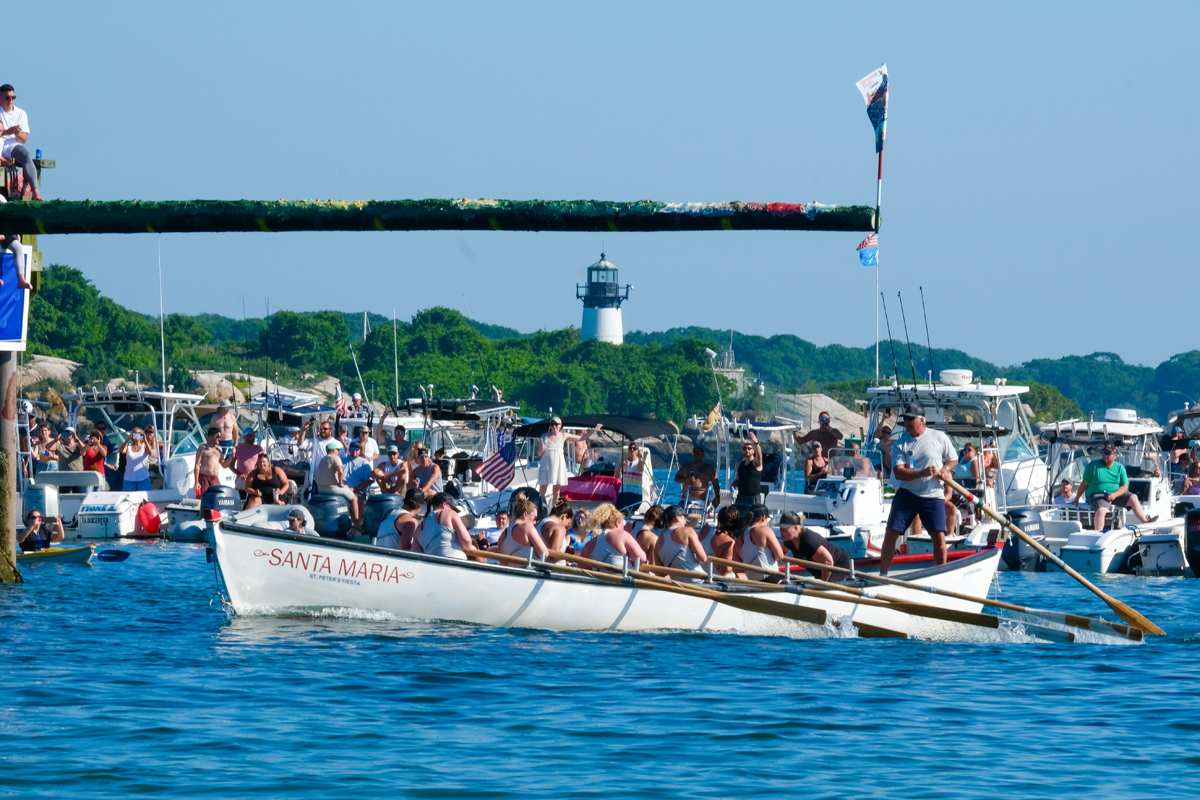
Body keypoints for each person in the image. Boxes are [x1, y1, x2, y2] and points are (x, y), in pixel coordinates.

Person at [879, 403, 958, 575]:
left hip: (933, 494)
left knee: (938, 536)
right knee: (891, 532)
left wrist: (945, 470)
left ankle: (940, 574)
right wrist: (922, 472)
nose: (906, 422)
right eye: (905, 419)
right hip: (907, 494)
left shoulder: (939, 437)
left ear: (921, 420)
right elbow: (898, 472)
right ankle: (882, 574)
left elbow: (953, 459)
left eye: (910, 418)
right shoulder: (900, 444)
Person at [1072, 446, 1157, 529]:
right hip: (1097, 495)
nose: (1105, 455)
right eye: (1104, 453)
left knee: (1133, 497)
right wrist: (1077, 499)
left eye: (1108, 454)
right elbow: (1084, 484)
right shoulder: (1093, 466)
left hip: (1115, 494)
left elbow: (1124, 486)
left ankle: (1146, 523)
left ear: (1114, 455)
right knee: (1101, 510)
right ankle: (1097, 534)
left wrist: (1114, 495)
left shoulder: (1120, 467)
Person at [538, 418, 601, 504]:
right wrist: (542, 448)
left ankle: (555, 510)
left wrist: (594, 430)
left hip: (558, 464)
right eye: (552, 424)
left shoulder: (563, 435)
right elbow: (539, 454)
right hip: (546, 464)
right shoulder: (544, 436)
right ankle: (540, 508)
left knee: (556, 491)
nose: (554, 426)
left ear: (560, 425)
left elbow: (582, 438)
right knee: (542, 490)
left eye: (556, 424)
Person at [777, 511, 850, 582]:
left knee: (826, 590)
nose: (781, 531)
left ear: (796, 528)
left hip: (838, 564)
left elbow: (828, 562)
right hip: (822, 569)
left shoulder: (808, 540)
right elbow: (780, 554)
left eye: (784, 528)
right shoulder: (789, 541)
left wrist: (823, 583)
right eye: (780, 528)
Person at [0, 85, 43, 202]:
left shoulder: (20, 114)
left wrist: (16, 133)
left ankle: (35, 192)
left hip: (11, 145)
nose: (11, 101)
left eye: (13, 97)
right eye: (7, 98)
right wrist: (7, 131)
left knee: (26, 156)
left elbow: (24, 139)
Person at [579, 503, 647, 569]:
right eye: (623, 523)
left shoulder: (588, 546)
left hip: (600, 579)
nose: (623, 527)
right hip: (624, 579)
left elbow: (582, 570)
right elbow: (641, 558)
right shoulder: (622, 534)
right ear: (617, 523)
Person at [315, 441, 361, 530]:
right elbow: (340, 470)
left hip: (320, 489)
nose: (338, 452)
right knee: (354, 498)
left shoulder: (322, 460)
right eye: (337, 450)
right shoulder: (335, 457)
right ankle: (356, 524)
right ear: (333, 450)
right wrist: (340, 483)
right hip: (331, 488)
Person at [654, 505, 708, 579]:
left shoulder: (658, 542)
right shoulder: (688, 531)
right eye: (684, 518)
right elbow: (703, 558)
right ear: (677, 518)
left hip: (677, 584)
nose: (685, 521)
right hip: (697, 580)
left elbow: (660, 573)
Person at [418, 492, 475, 560]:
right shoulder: (450, 513)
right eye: (452, 508)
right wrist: (472, 548)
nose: (454, 511)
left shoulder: (420, 526)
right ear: (445, 504)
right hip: (454, 563)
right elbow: (466, 541)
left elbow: (415, 552)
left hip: (431, 566)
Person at [737, 504, 785, 582]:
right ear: (763, 517)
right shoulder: (765, 530)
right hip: (772, 579)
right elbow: (780, 556)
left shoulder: (739, 538)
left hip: (753, 582)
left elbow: (738, 569)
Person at [298, 418, 341, 491]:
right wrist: (304, 430)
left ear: (331, 431)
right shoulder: (316, 441)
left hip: (331, 480)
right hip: (317, 479)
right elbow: (300, 445)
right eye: (321, 429)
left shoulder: (338, 444)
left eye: (325, 429)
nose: (322, 430)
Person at [675, 446, 721, 513]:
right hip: (686, 498)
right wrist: (686, 479)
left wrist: (717, 496)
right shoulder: (685, 467)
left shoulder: (709, 468)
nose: (696, 455)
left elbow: (715, 483)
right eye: (694, 453)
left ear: (703, 455)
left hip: (702, 499)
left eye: (698, 453)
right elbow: (676, 478)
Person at [193, 427, 230, 497]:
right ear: (211, 437)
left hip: (214, 478)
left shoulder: (219, 449)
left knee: (216, 498)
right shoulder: (202, 448)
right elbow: (197, 465)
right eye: (217, 437)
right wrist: (196, 482)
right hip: (204, 478)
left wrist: (232, 456)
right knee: (203, 498)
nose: (219, 439)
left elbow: (224, 465)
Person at [120, 427, 159, 492]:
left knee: (145, 499)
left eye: (139, 434)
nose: (137, 435)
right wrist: (127, 439)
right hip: (129, 478)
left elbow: (150, 452)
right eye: (135, 433)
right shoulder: (128, 447)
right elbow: (121, 450)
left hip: (143, 478)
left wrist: (145, 440)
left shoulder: (144, 447)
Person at [734, 431, 764, 505]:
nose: (746, 450)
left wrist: (756, 442)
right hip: (741, 497)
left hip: (753, 498)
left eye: (749, 448)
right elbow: (737, 480)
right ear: (742, 451)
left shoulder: (756, 463)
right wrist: (732, 486)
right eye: (744, 448)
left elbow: (759, 456)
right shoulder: (740, 465)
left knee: (753, 516)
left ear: (753, 451)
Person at [618, 443, 647, 513]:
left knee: (631, 512)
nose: (632, 450)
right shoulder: (624, 461)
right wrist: (620, 465)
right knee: (620, 512)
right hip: (624, 491)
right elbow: (616, 475)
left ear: (637, 450)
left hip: (635, 492)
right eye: (630, 448)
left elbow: (640, 469)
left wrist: (640, 457)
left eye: (634, 448)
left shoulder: (640, 461)